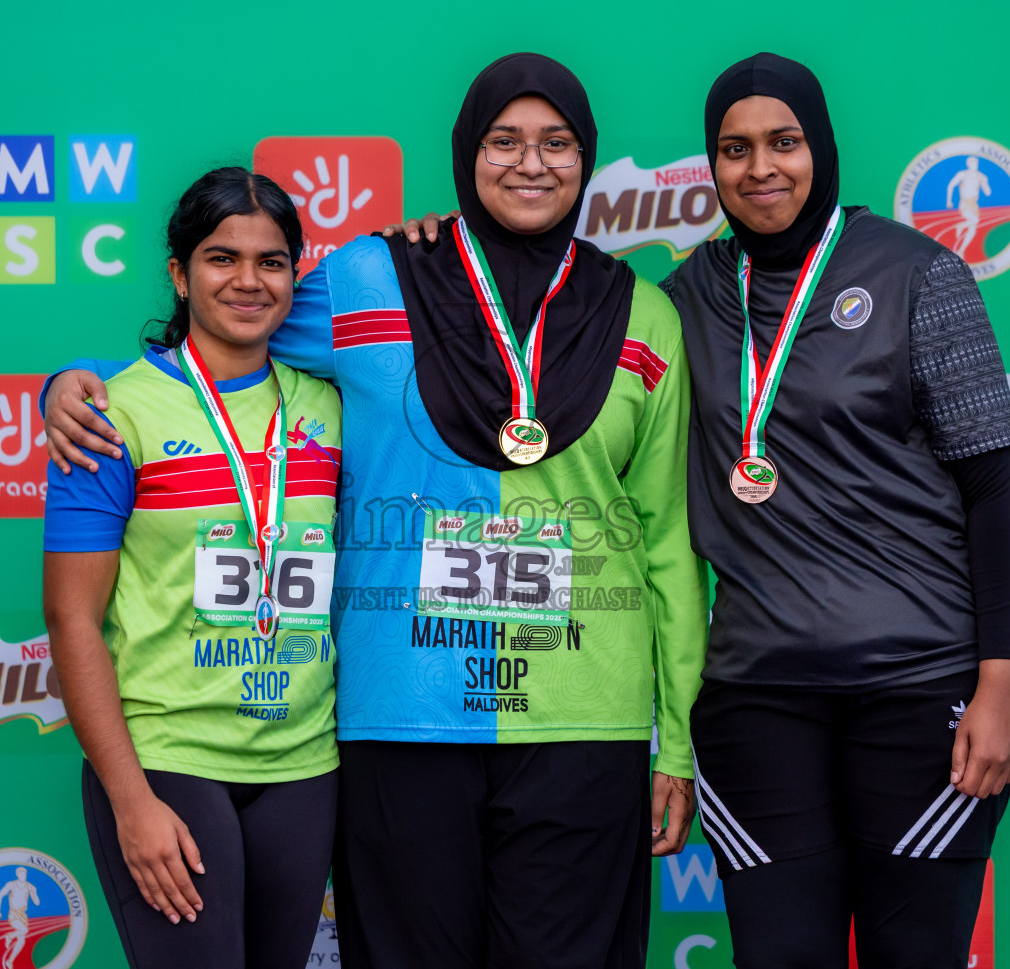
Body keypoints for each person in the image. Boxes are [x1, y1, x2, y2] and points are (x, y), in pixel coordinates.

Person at [41, 53, 708, 969]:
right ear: (466, 152)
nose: (530, 163)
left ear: (588, 159)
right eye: (503, 140)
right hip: (404, 714)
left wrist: (676, 738)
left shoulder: (647, 316)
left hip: (582, 716)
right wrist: (67, 388)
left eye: (557, 143)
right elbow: (229, 321)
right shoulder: (370, 277)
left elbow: (667, 539)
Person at [663, 53, 1010, 969]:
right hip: (755, 698)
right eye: (735, 148)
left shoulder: (918, 275)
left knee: (918, 954)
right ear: (712, 165)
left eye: (783, 143)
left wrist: (1000, 684)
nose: (760, 169)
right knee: (782, 955)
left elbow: (994, 488)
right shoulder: (683, 300)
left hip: (919, 690)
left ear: (819, 146)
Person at [42, 167, 342, 969]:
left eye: (272, 261)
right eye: (220, 258)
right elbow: (72, 620)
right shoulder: (109, 416)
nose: (248, 280)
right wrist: (129, 799)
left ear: (296, 274)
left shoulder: (332, 405)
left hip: (305, 763)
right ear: (179, 274)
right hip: (167, 760)